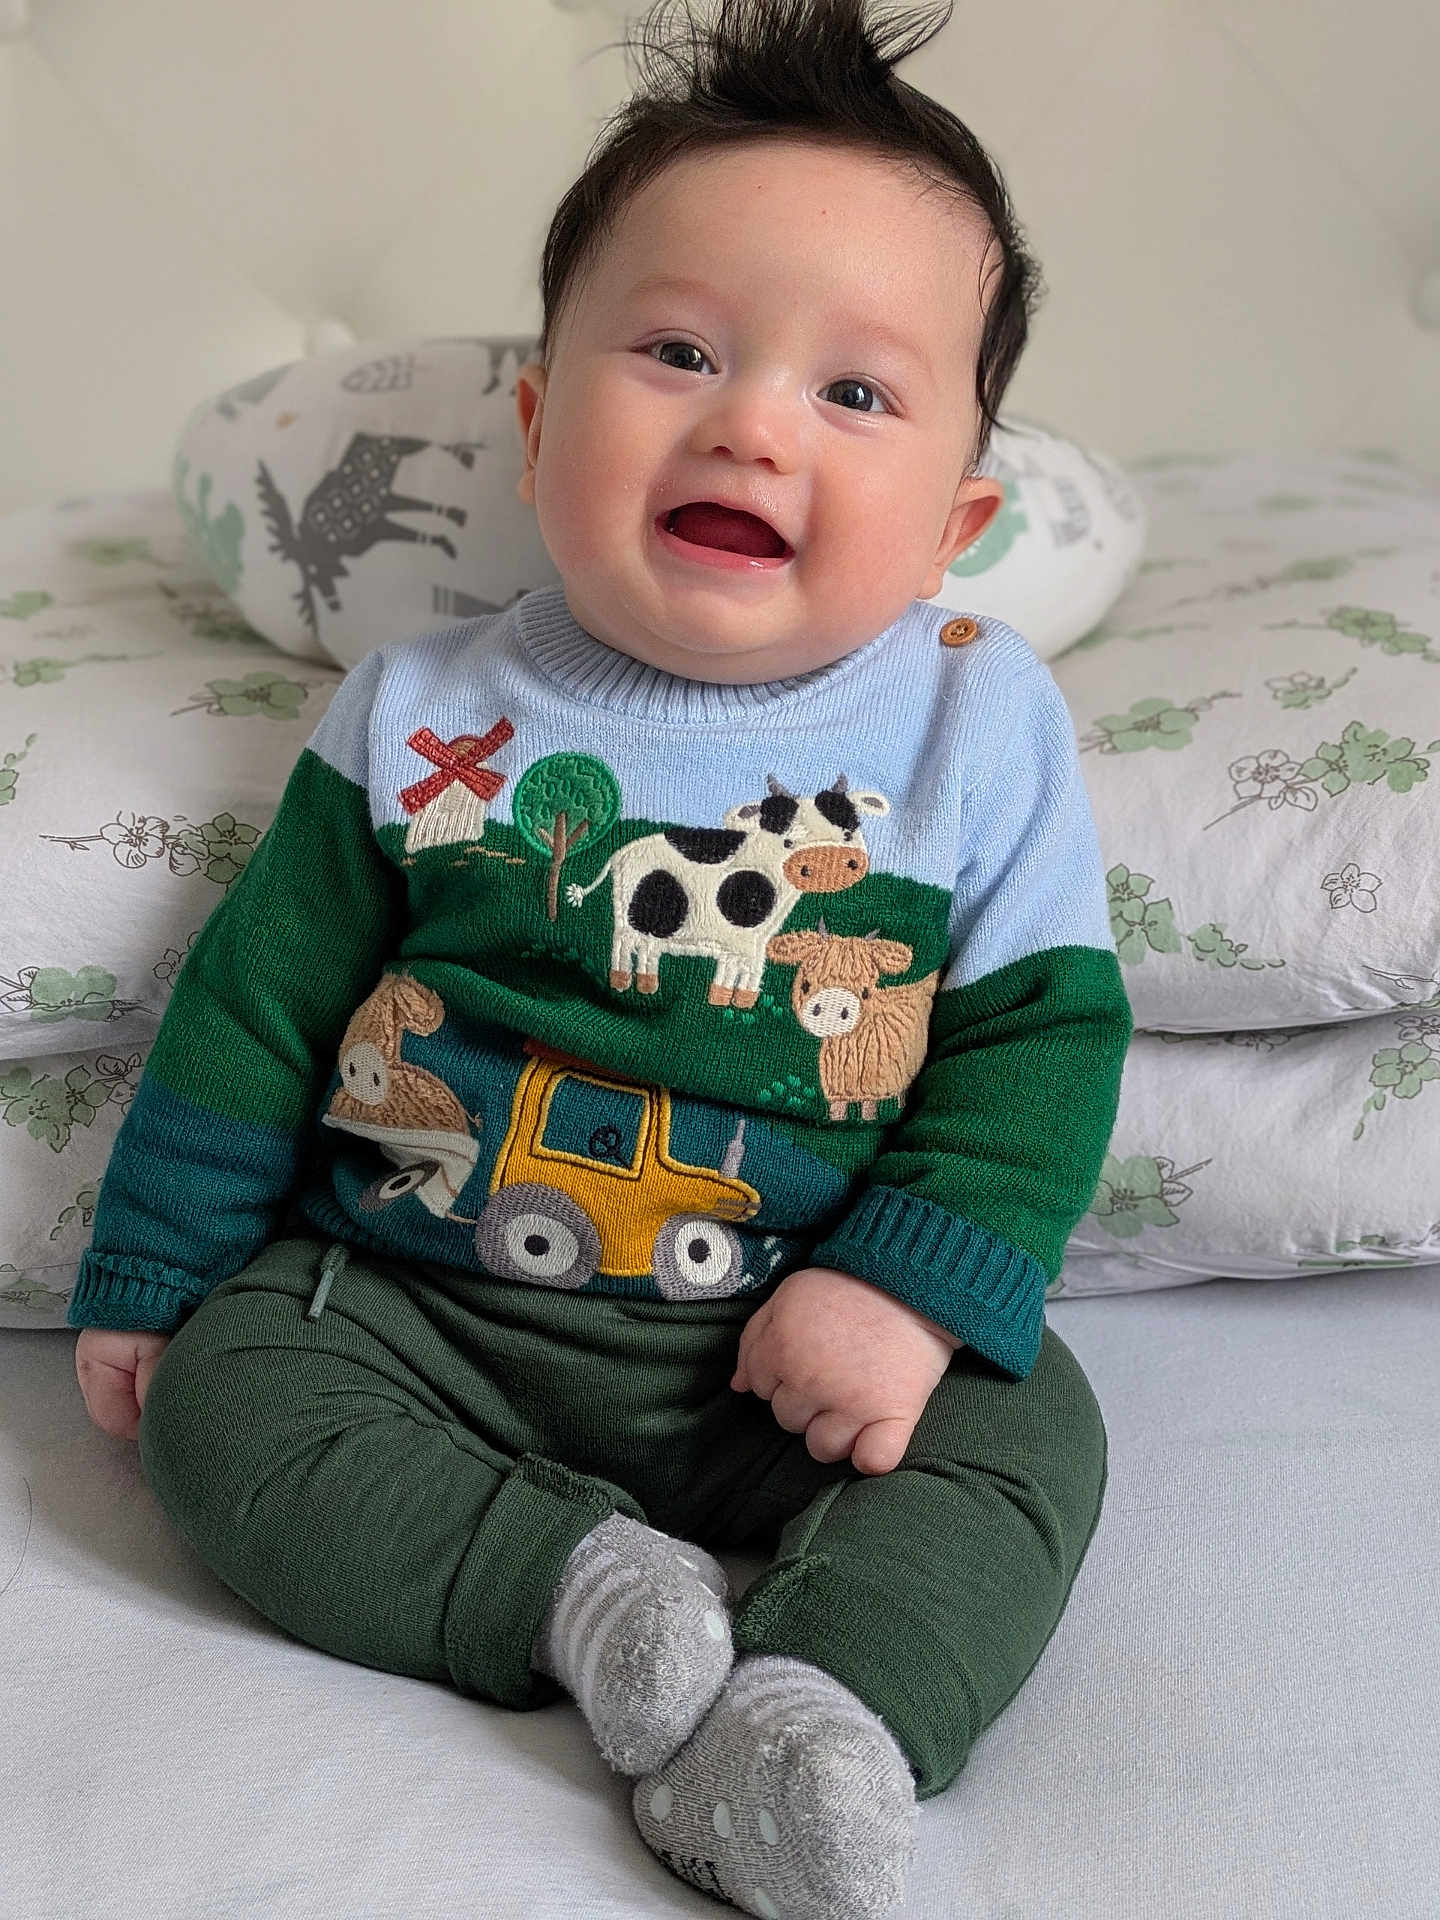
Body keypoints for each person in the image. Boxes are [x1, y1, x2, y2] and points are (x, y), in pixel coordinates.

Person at [70, 3, 1132, 1914]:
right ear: (546, 420)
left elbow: (1039, 1042)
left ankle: (824, 1718)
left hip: (790, 1351)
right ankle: (573, 1592)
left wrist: (904, 1292)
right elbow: (256, 1005)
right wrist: (150, 1273)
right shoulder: (418, 711)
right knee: (221, 1407)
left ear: (956, 523)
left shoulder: (977, 726)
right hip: (421, 1313)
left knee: (1031, 1430)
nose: (749, 422)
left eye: (859, 396)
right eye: (678, 351)